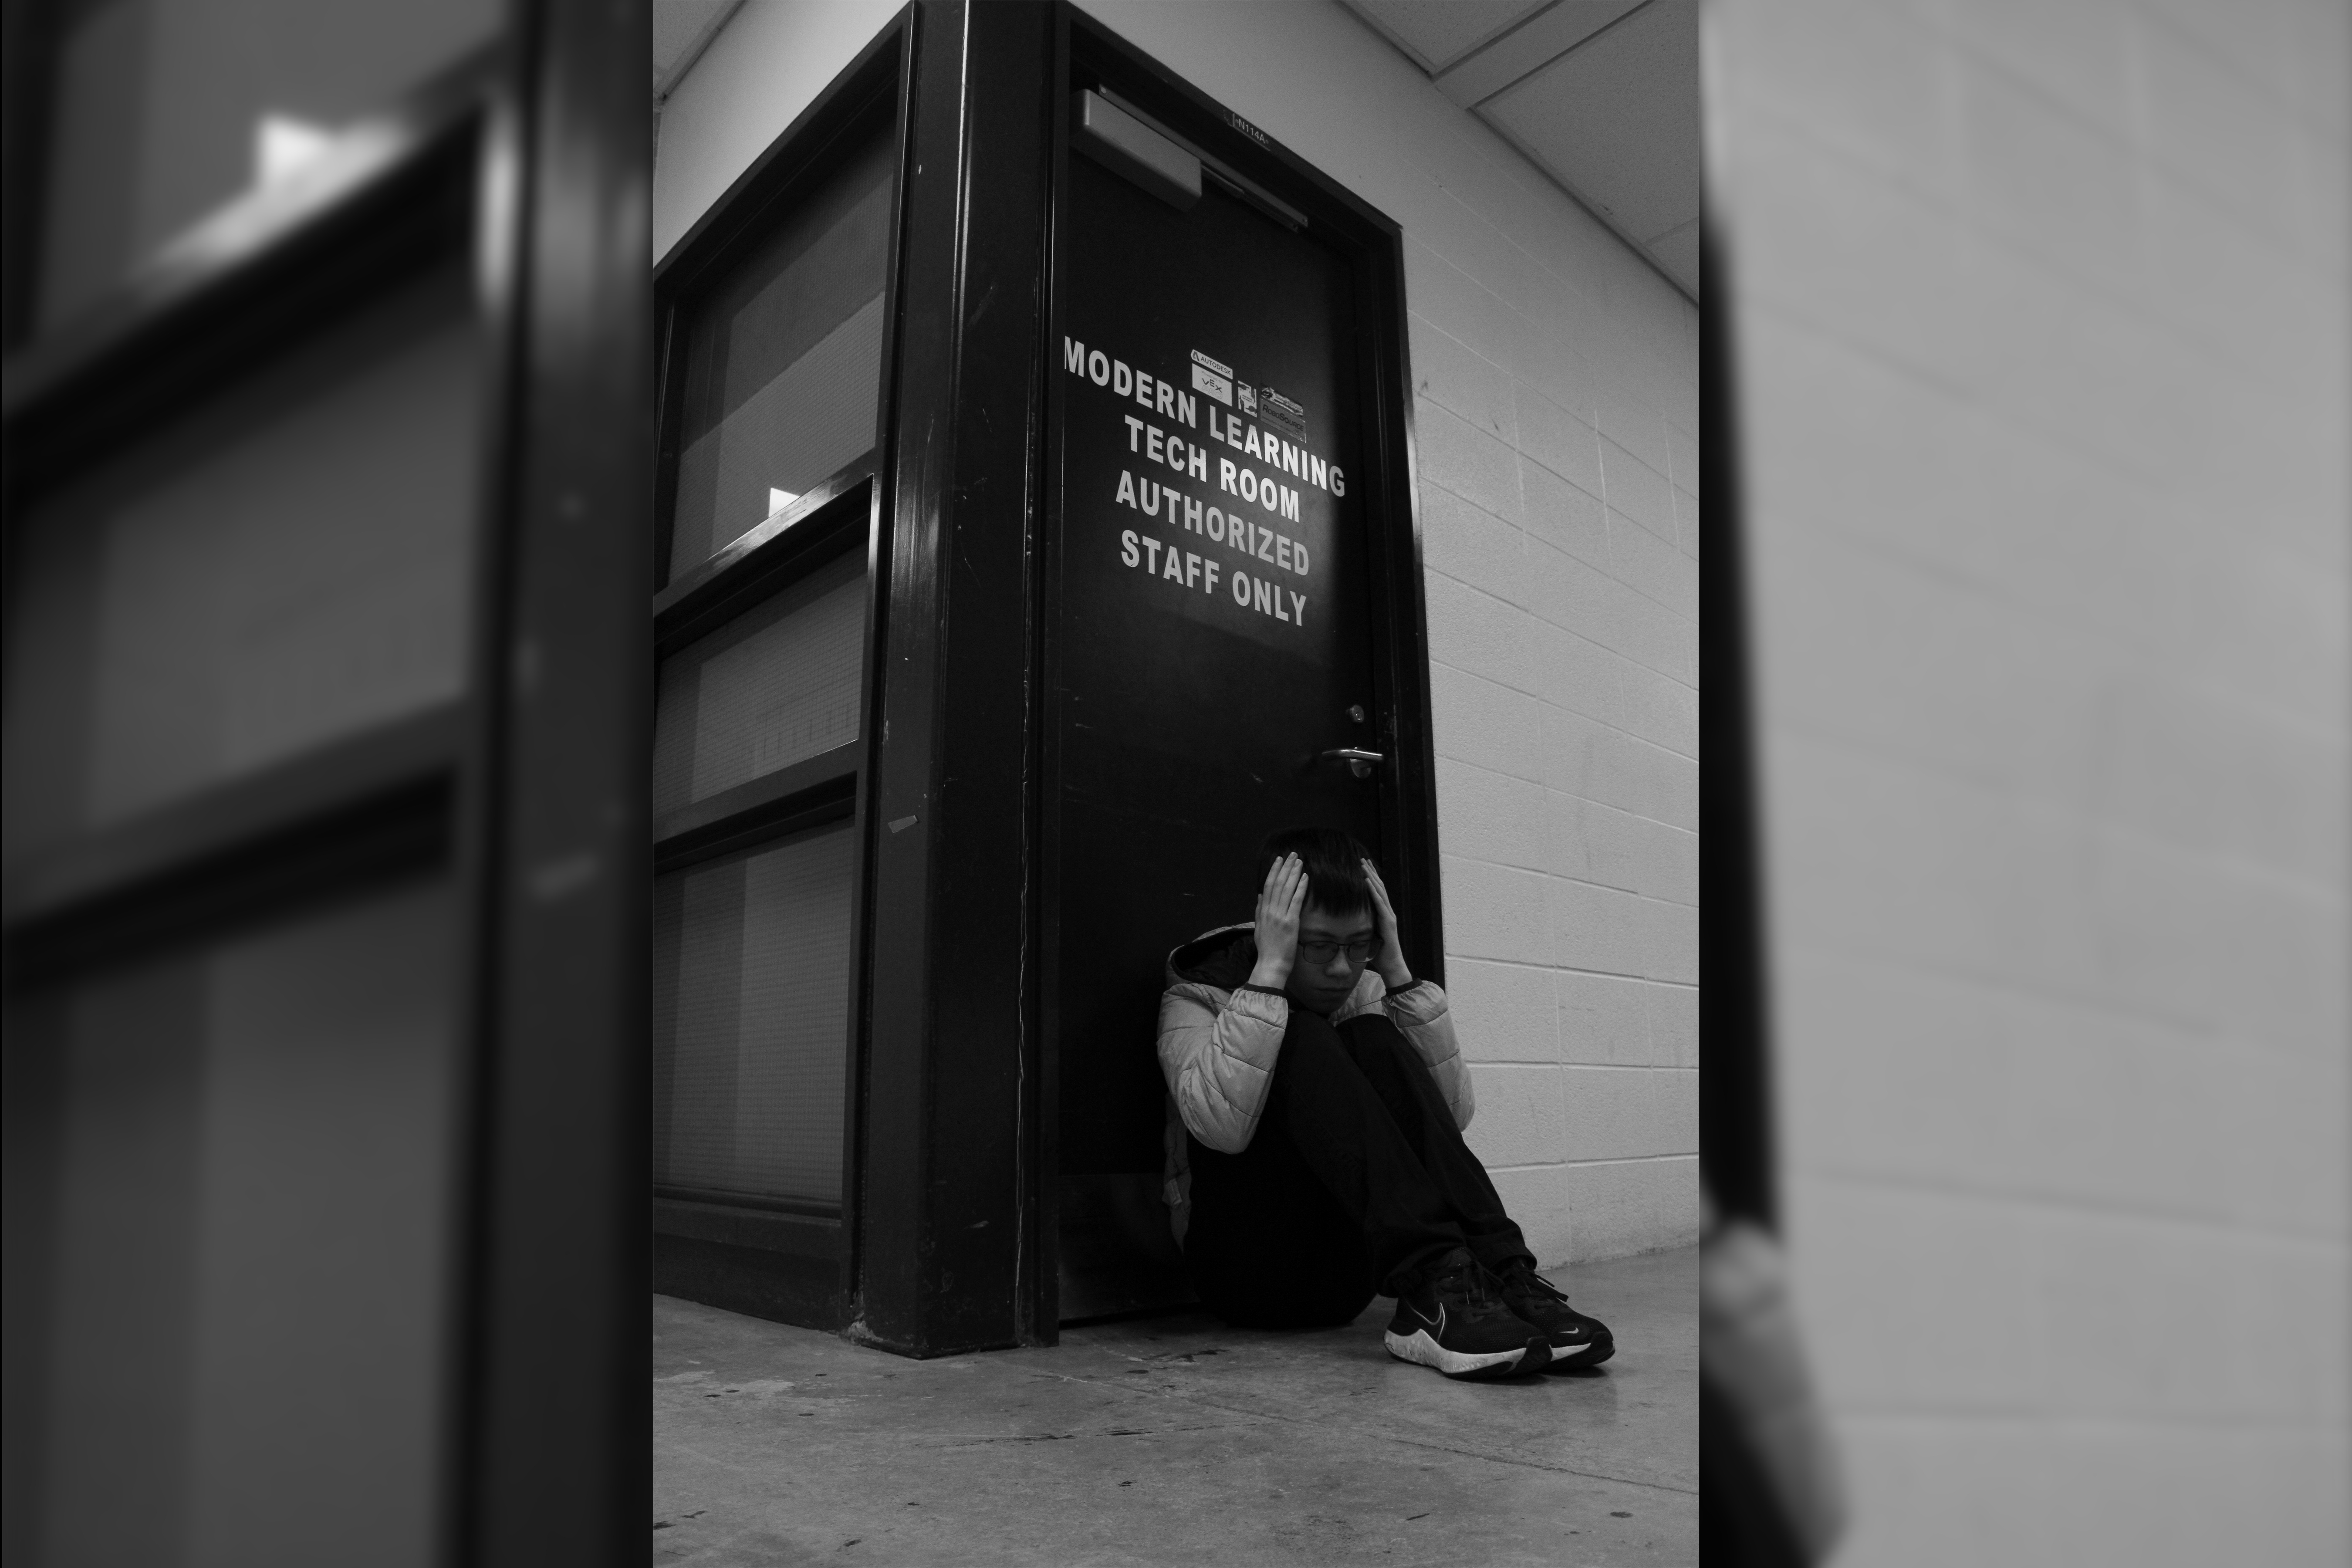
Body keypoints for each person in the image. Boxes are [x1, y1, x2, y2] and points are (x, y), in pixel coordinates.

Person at [1156, 826, 1614, 1380]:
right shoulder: (1195, 996)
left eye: (1360, 947)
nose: (1342, 969)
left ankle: (1497, 1275)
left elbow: (1450, 1119)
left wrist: (1396, 973)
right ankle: (1433, 1283)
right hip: (1245, 1275)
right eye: (1320, 947)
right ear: (1274, 929)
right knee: (1301, 1036)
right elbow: (1222, 1129)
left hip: (1354, 1276)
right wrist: (1270, 977)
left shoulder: (1365, 990)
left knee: (1373, 1037)